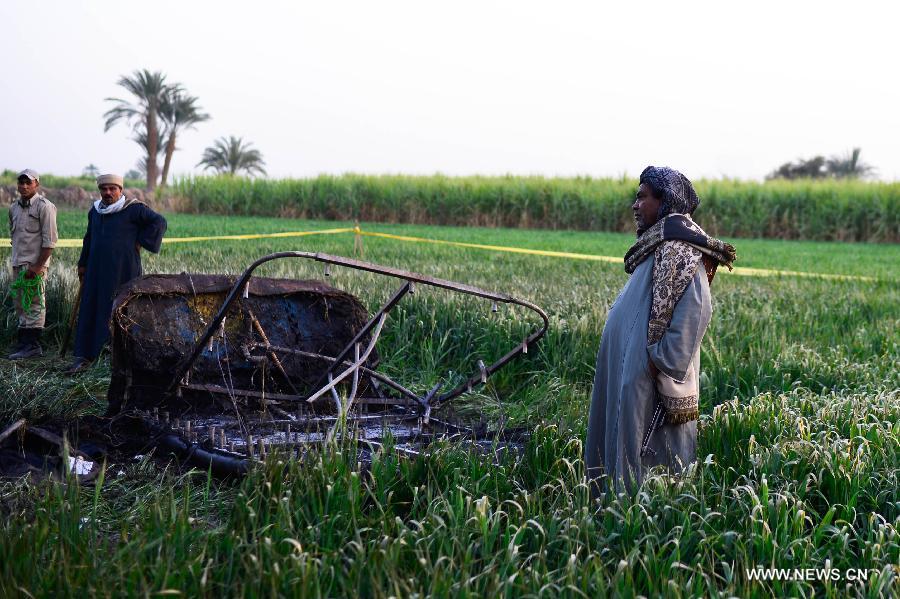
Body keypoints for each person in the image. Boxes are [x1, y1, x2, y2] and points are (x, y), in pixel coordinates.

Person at [585, 166, 736, 494]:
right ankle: (612, 515)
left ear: (664, 200)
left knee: (650, 469)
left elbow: (697, 312)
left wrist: (655, 362)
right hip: (631, 377)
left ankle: (642, 529)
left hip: (649, 382)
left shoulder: (682, 252)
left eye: (642, 197)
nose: (634, 205)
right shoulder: (655, 247)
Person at [66, 174, 167, 373]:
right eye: (104, 189)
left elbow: (159, 222)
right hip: (96, 270)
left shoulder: (134, 209)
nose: (108, 193)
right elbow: (89, 239)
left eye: (112, 188)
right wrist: (82, 264)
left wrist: (141, 239)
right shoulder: (95, 212)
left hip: (123, 270)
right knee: (92, 307)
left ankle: (117, 358)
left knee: (119, 309)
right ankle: (85, 356)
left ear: (120, 190)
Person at [6, 169, 58, 360]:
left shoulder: (45, 207)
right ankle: (23, 344)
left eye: (29, 182)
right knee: (20, 304)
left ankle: (33, 346)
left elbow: (50, 242)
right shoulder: (14, 208)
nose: (24, 186)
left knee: (35, 303)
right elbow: (15, 237)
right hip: (18, 263)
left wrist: (37, 267)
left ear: (37, 184)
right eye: (21, 182)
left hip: (35, 266)